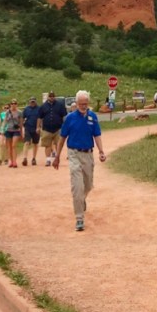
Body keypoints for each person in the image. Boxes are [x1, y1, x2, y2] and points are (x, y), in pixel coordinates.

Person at [53, 90, 106, 231]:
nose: (83, 106)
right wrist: (57, 156)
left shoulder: (92, 117)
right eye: (81, 104)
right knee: (77, 186)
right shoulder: (70, 118)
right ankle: (79, 218)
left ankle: (82, 200)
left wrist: (101, 151)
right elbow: (62, 138)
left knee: (88, 185)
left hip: (88, 154)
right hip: (74, 154)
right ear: (76, 103)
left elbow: (97, 135)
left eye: (85, 104)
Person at [38, 90, 67, 166]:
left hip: (58, 128)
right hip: (46, 129)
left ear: (55, 96)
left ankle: (56, 158)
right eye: (50, 96)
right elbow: (39, 117)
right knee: (47, 145)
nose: (51, 97)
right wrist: (38, 127)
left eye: (53, 96)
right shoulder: (43, 106)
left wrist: (65, 126)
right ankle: (48, 160)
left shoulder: (60, 105)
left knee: (58, 144)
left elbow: (64, 116)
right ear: (48, 97)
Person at [2, 99, 23, 168]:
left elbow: (21, 123)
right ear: (10, 104)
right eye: (12, 103)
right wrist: (3, 129)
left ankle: (14, 161)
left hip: (16, 130)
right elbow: (5, 121)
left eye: (15, 103)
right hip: (8, 130)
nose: (13, 105)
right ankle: (11, 161)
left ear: (17, 104)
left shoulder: (19, 112)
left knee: (14, 145)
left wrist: (21, 133)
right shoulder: (7, 112)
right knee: (9, 147)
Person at [21, 95, 41, 166]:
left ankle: (34, 158)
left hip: (36, 128)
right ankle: (25, 158)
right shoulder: (26, 109)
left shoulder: (39, 109)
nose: (32, 103)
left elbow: (40, 118)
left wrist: (38, 127)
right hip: (28, 127)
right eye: (31, 102)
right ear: (29, 102)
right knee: (26, 142)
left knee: (35, 143)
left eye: (33, 102)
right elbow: (22, 118)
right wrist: (22, 127)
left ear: (35, 102)